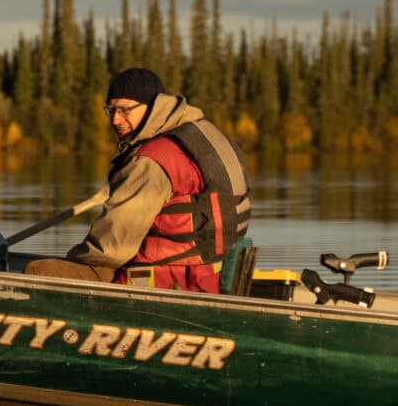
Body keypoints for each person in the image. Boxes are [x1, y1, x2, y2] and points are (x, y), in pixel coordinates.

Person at [24, 66, 252, 293]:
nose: (115, 120)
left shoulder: (151, 161)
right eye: (110, 110)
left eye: (124, 110)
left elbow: (111, 248)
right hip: (209, 275)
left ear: (152, 107)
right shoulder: (204, 139)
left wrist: (74, 257)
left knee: (37, 271)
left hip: (164, 280)